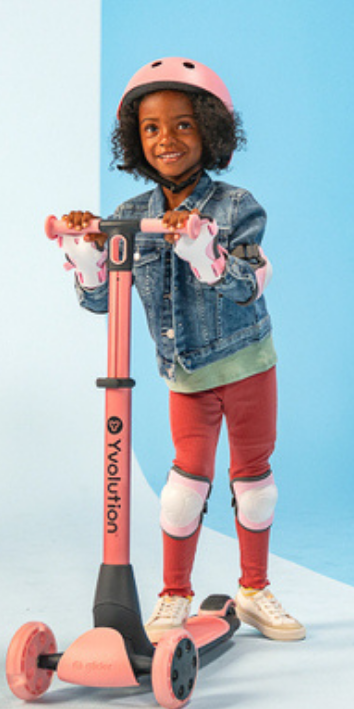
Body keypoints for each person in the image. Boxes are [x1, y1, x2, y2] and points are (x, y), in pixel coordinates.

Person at [60, 57, 305, 642]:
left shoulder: (237, 206)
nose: (166, 139)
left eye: (183, 125)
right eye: (151, 128)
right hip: (186, 376)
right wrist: (86, 256)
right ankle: (174, 597)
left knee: (254, 484)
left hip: (248, 364)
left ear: (211, 132)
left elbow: (248, 284)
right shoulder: (126, 218)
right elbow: (100, 304)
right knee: (180, 493)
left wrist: (202, 252)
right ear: (134, 140)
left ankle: (253, 590)